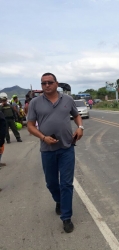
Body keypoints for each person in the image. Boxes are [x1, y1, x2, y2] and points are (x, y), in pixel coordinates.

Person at [27, 72, 84, 233]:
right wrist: (43, 137)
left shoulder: (67, 100)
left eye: (49, 82)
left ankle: (66, 217)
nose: (46, 85)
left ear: (56, 83)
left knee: (66, 184)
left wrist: (80, 127)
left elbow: (77, 115)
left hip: (66, 148)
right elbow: (30, 126)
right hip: (47, 150)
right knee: (51, 183)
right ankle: (59, 201)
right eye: (43, 83)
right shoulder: (35, 103)